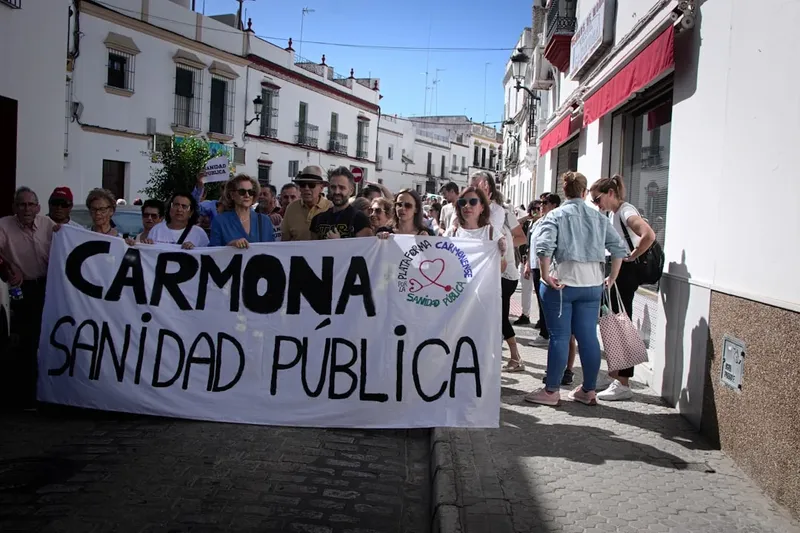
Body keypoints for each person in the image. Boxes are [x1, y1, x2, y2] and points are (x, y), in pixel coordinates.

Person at [525, 172, 627, 407]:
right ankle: (588, 390)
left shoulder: (556, 216)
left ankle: (551, 391)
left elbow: (544, 247)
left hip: (562, 283)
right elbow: (618, 248)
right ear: (583, 193)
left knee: (560, 337)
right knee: (588, 337)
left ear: (565, 192)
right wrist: (611, 277)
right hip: (592, 284)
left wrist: (544, 274)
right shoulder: (599, 217)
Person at [590, 174, 657, 401]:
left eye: (597, 200)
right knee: (614, 324)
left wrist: (633, 255)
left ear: (610, 193)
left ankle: (623, 382)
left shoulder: (626, 212)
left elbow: (648, 234)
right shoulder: (616, 213)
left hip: (626, 274)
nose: (597, 205)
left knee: (620, 326)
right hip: (619, 273)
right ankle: (616, 375)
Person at [0, 187, 58, 408]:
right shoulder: (4, 226)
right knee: (27, 341)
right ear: (15, 207)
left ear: (38, 207)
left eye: (31, 204)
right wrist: (7, 266)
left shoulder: (48, 225)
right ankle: (27, 395)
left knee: (48, 338)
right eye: (22, 204)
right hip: (22, 290)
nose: (26, 209)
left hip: (49, 287)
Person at [470, 171, 527, 372]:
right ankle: (500, 355)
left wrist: (504, 248)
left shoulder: (502, 212)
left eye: (474, 184)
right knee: (493, 315)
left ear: (486, 186)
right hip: (486, 271)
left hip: (504, 272)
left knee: (499, 316)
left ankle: (515, 357)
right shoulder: (474, 209)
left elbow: (521, 237)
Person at [210, 174, 275, 247]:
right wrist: (229, 247)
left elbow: (272, 249)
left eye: (250, 192)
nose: (247, 195)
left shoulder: (265, 221)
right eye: (242, 192)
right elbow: (213, 253)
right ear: (232, 195)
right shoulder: (219, 221)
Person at [310, 167, 372, 239]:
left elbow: (365, 249)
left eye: (342, 188)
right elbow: (313, 248)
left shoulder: (360, 219)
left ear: (351, 191)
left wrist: (339, 243)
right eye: (333, 187)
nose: (337, 192)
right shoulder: (318, 219)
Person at [280, 165, 332, 241]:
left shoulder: (330, 207)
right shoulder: (291, 208)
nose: (306, 188)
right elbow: (285, 240)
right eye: (303, 185)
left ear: (321, 188)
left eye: (311, 185)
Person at [142, 192, 209, 249]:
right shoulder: (156, 230)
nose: (179, 209)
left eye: (184, 206)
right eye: (176, 205)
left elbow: (206, 257)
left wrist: (194, 250)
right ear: (170, 208)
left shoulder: (199, 233)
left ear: (191, 212)